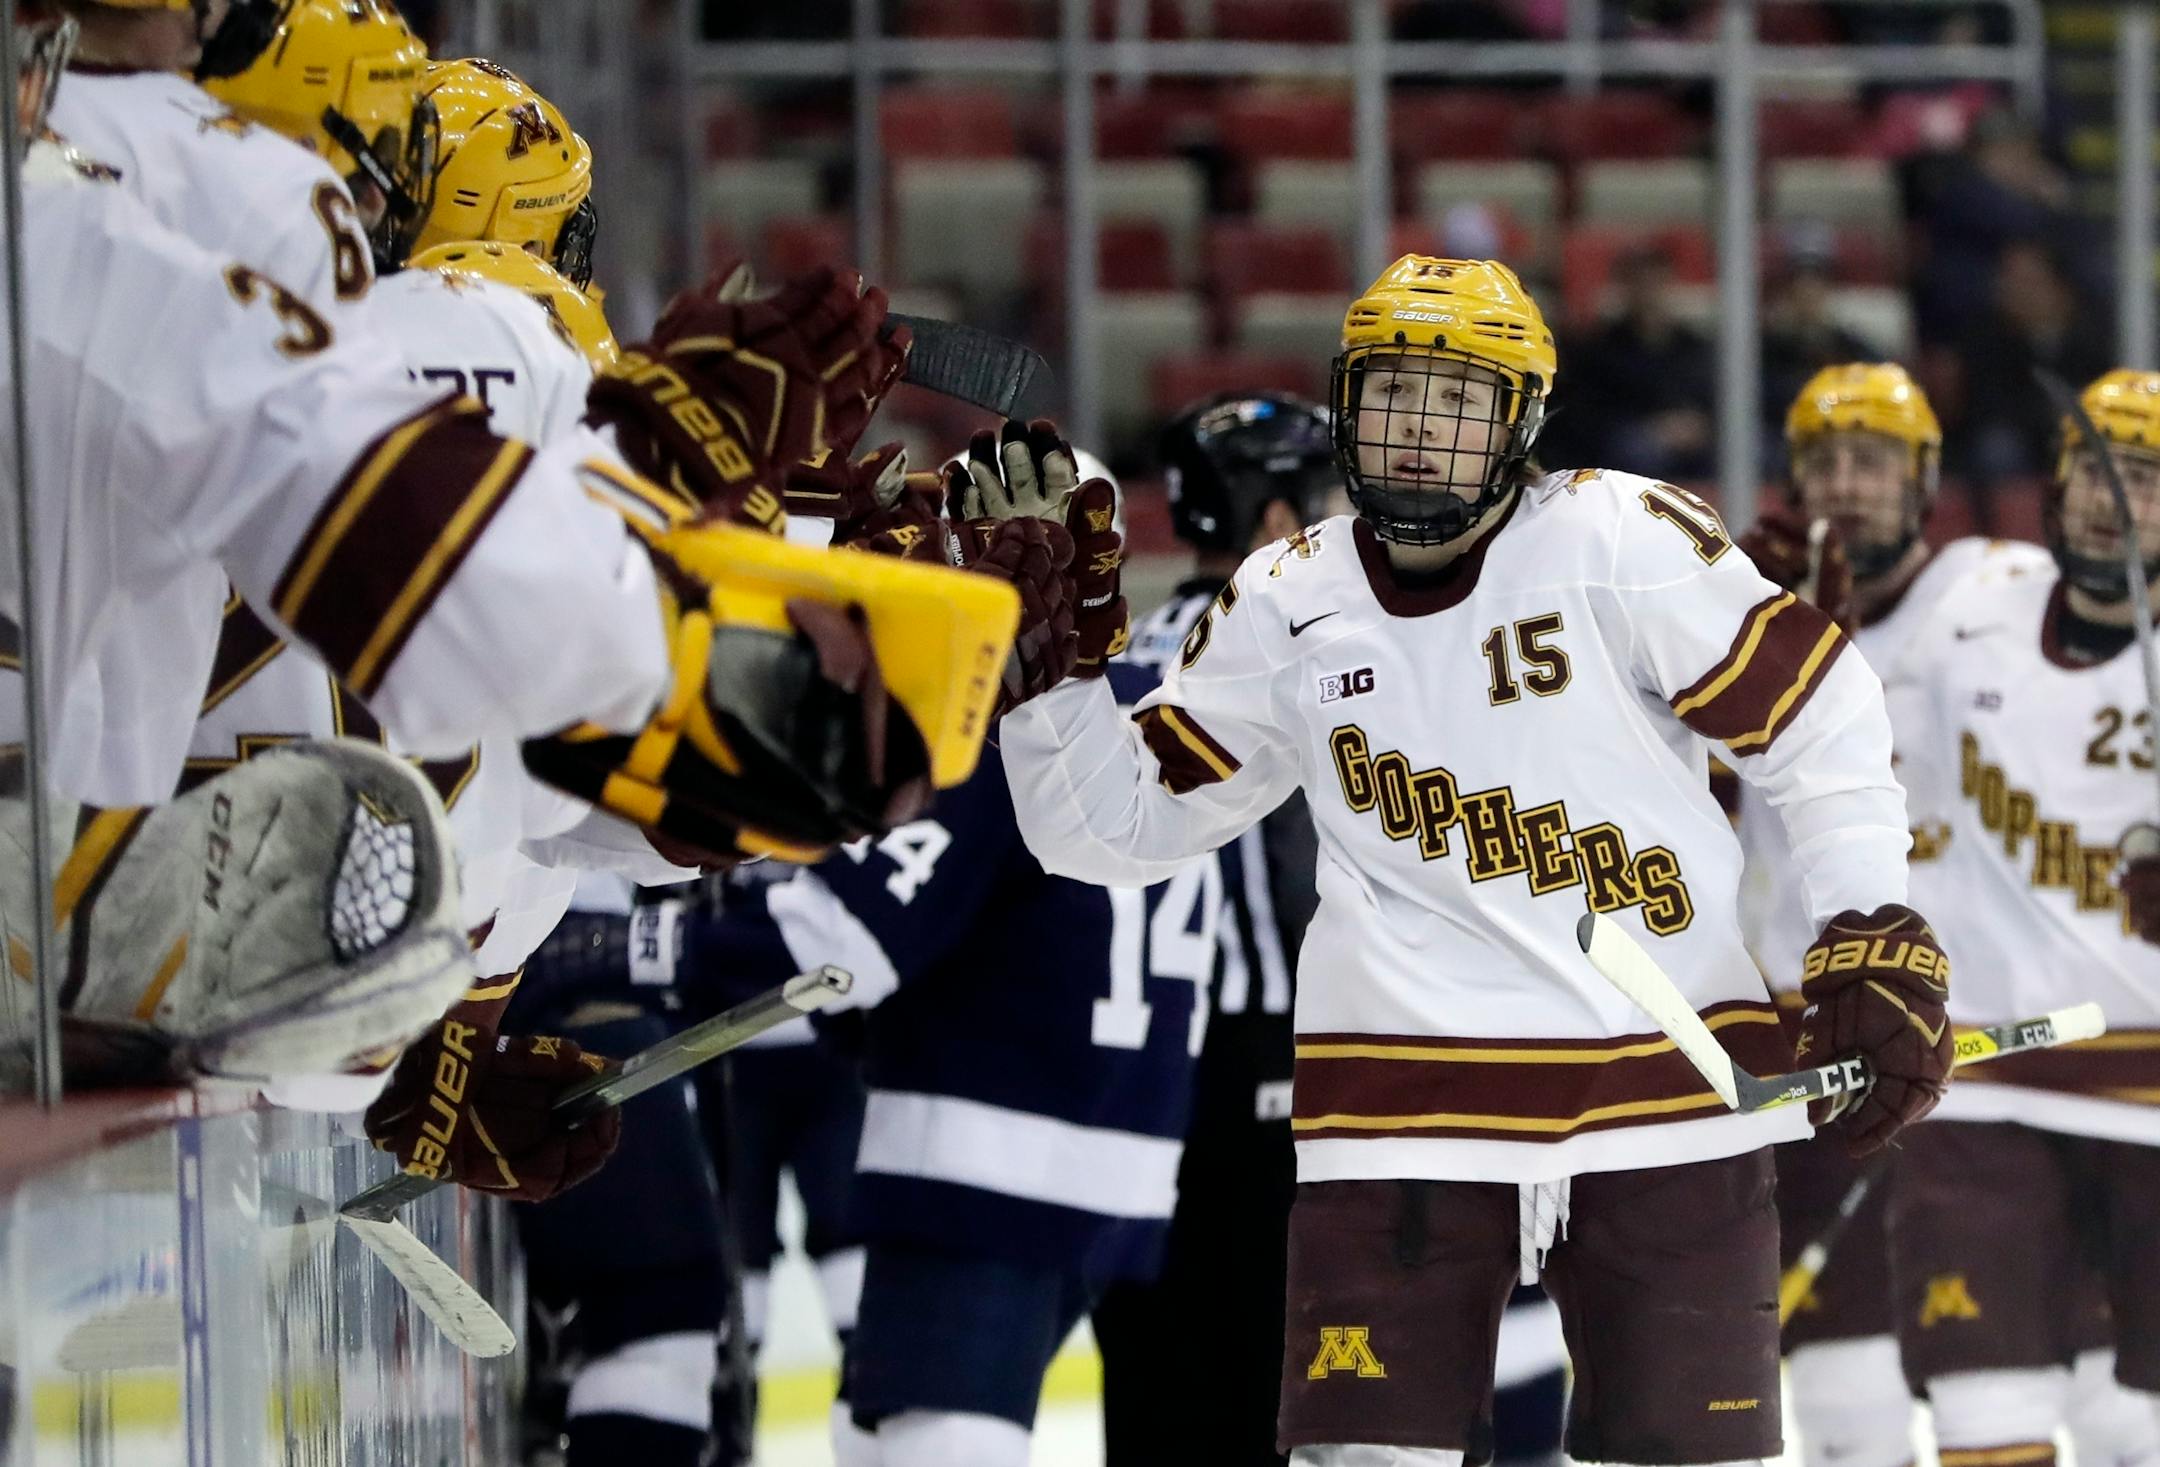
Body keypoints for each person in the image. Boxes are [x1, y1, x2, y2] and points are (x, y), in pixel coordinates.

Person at [997, 255, 1949, 1467]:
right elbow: (1110, 831)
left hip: (1662, 1098)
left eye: (1459, 402)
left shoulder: (1622, 538)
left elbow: (1822, 723)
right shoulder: (1288, 599)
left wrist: (1868, 923)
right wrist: (1048, 683)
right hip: (1398, 1116)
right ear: (1348, 409)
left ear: (1521, 423)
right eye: (1395, 395)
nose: (1419, 435)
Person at [0, 7, 980, 1098]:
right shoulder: (143, 220)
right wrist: (664, 476)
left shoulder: (92, 205)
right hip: (114, 968)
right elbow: (446, 581)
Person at [1890, 368, 2160, 1467]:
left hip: (2148, 1093)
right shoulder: (1970, 598)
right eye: (2092, 472)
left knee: (2131, 1426)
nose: (2108, 498)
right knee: (1978, 1408)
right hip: (1988, 1072)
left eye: (2141, 478)